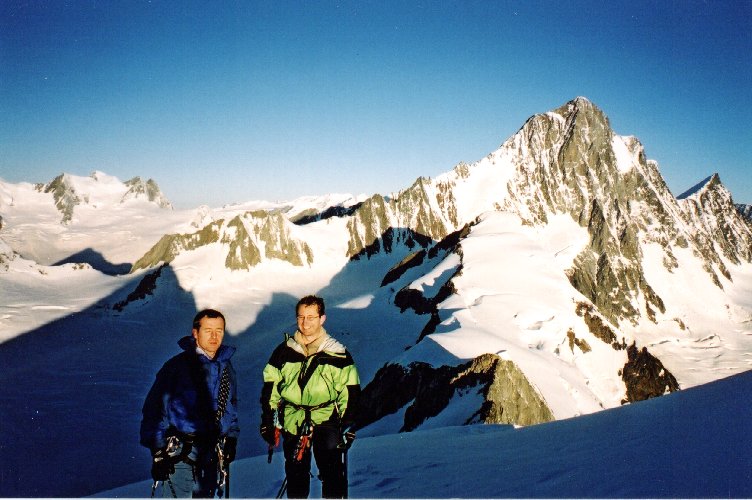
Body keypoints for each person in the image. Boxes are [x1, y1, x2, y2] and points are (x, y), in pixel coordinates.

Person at [260, 295, 360, 498]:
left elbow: (350, 392)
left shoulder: (337, 353)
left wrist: (348, 424)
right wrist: (269, 420)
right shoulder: (284, 352)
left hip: (326, 418)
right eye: (301, 317)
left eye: (311, 317)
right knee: (296, 474)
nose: (305, 323)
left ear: (322, 318)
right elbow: (271, 387)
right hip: (293, 418)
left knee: (331, 473)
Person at [140, 308, 239, 498]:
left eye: (219, 330)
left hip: (211, 450)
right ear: (195, 332)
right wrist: (158, 452)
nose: (214, 336)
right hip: (181, 452)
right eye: (208, 330)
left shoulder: (226, 367)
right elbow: (155, 409)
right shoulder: (177, 367)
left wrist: (231, 437)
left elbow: (230, 405)